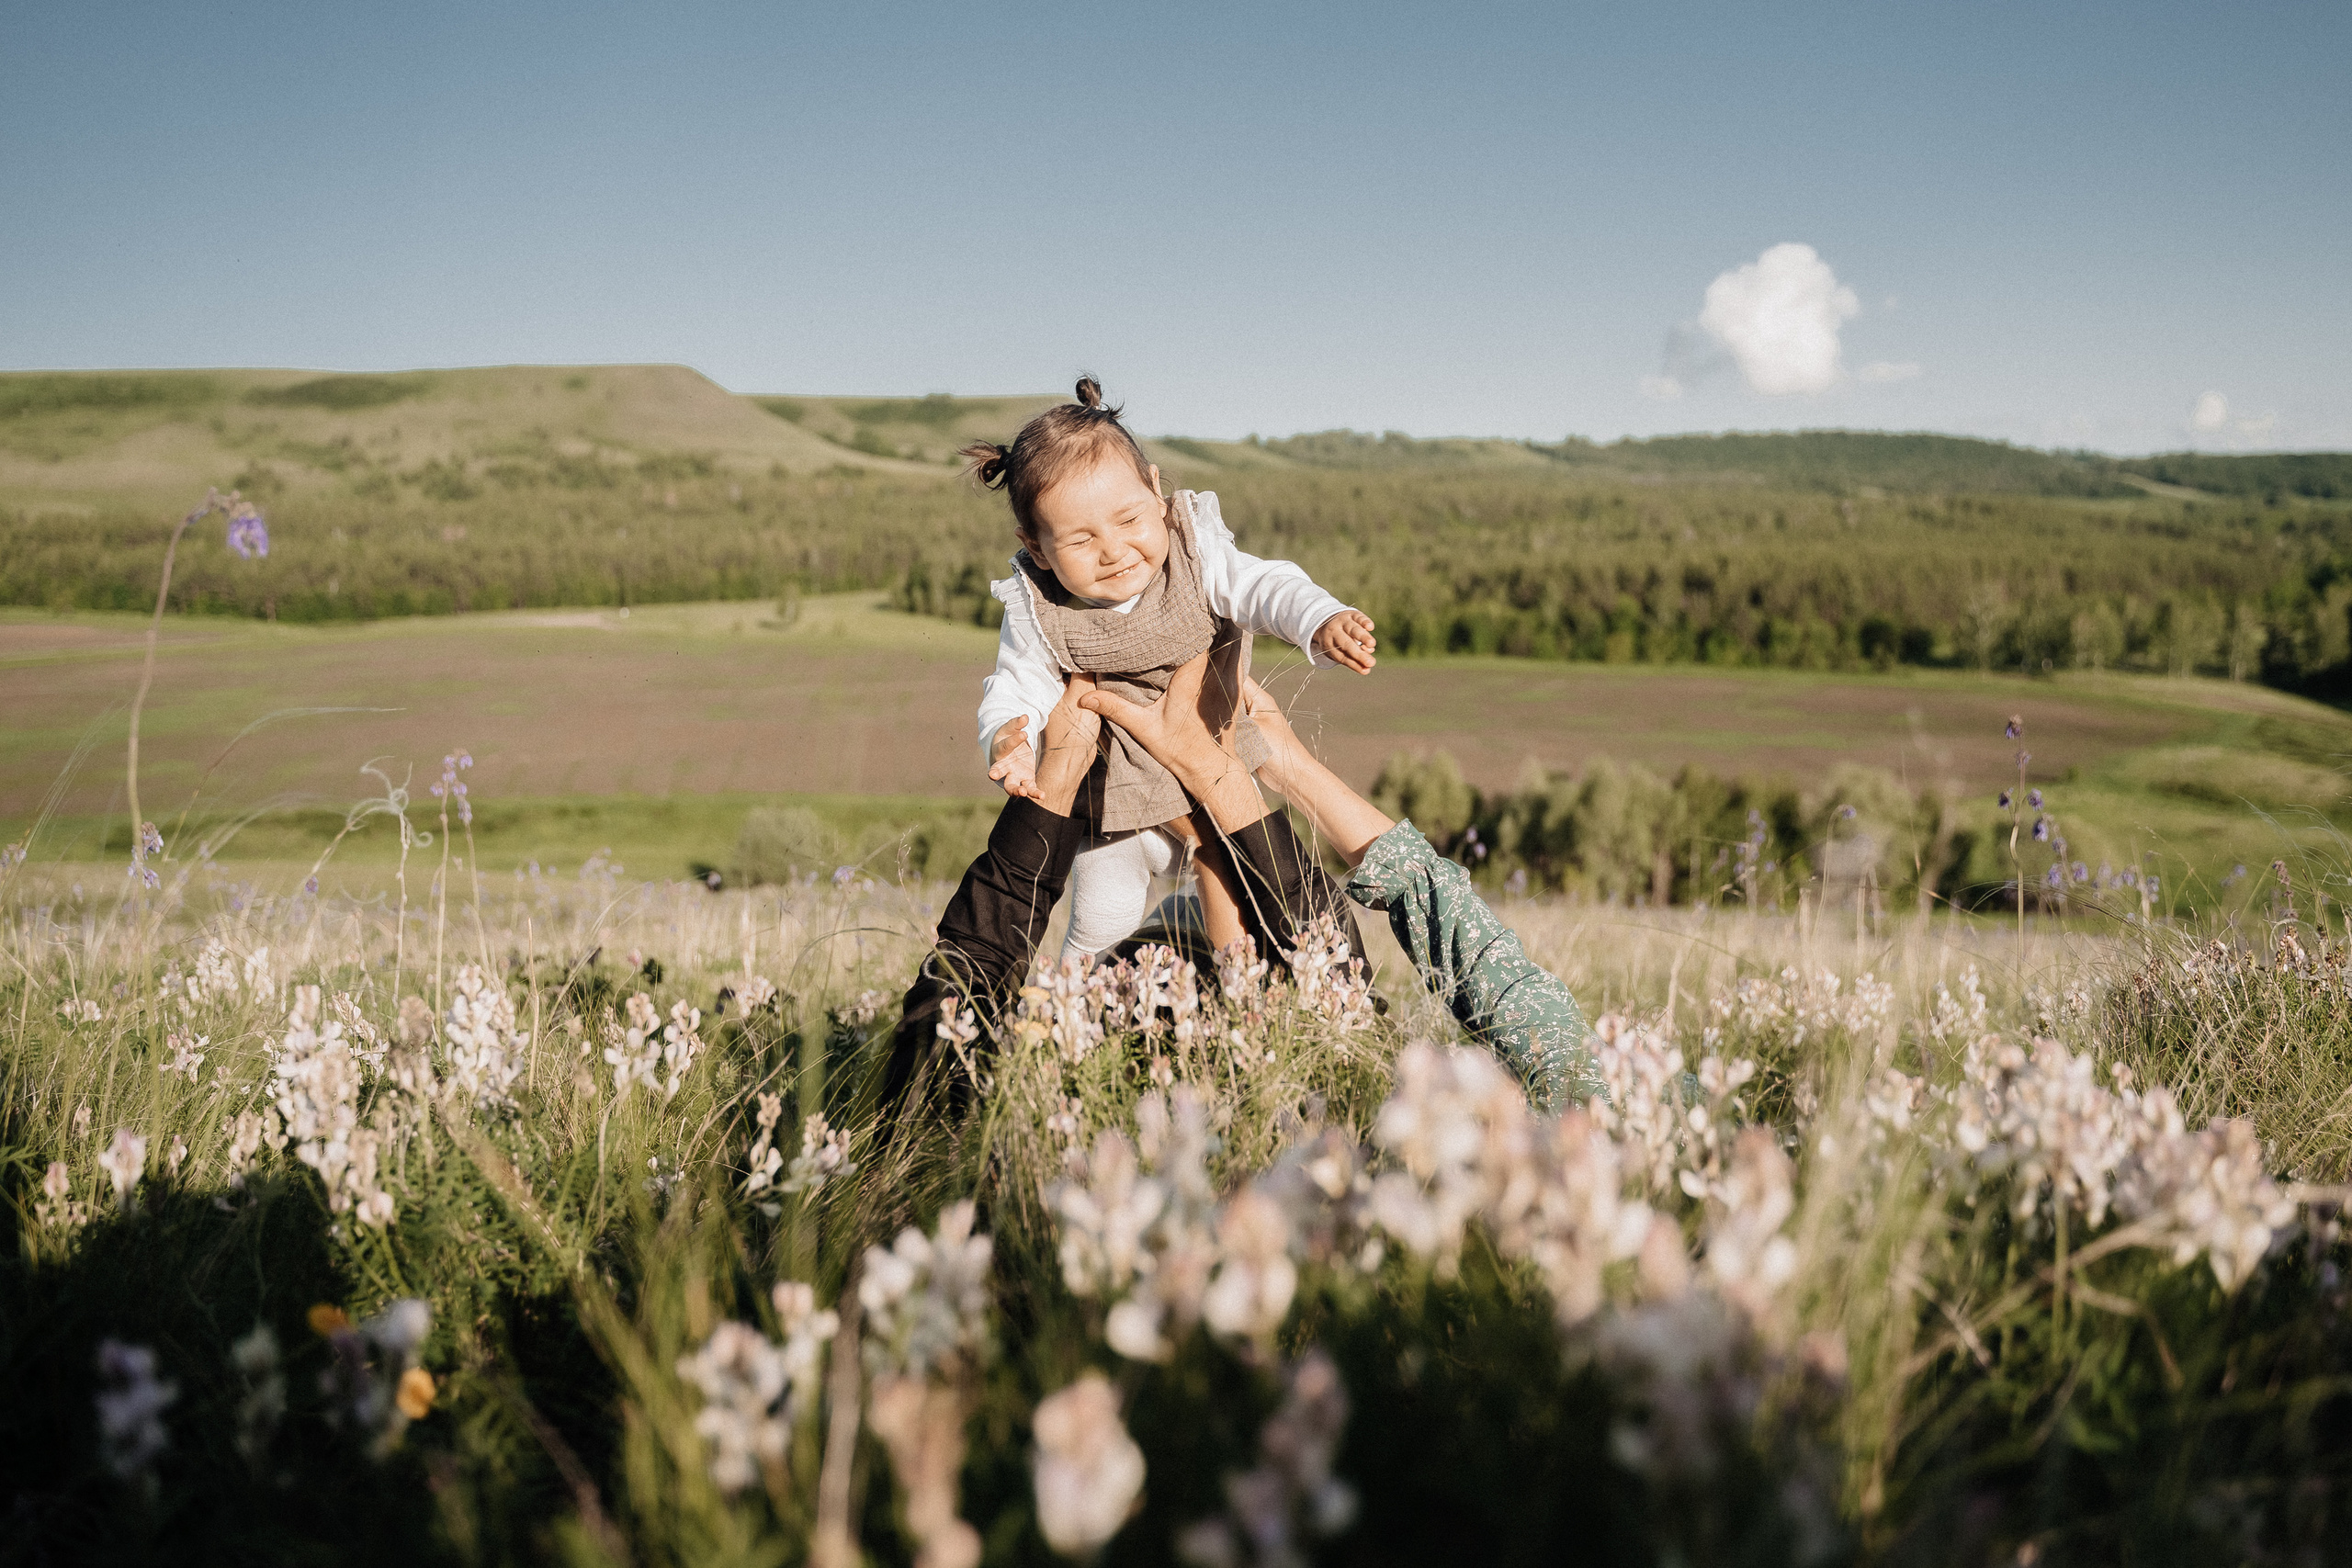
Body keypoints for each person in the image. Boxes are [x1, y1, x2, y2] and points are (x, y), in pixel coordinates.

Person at [882, 652, 1600, 1119]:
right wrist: (1267, 767)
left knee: (1333, 1021)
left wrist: (1064, 780)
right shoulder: (1585, 1109)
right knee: (1336, 1021)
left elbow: (925, 1093)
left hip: (1177, 1017)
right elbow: (1424, 950)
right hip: (1214, 1013)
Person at [963, 378, 1378, 960]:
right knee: (1100, 918)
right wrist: (1010, 739)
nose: (1113, 550)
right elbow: (1016, 684)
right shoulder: (1038, 609)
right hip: (1116, 804)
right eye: (1081, 540)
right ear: (1036, 547)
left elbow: (1263, 585)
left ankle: (1244, 996)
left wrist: (1317, 619)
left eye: (1128, 520)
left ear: (1156, 491)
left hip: (1213, 777)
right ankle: (1070, 1001)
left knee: (1233, 898)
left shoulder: (1197, 553)